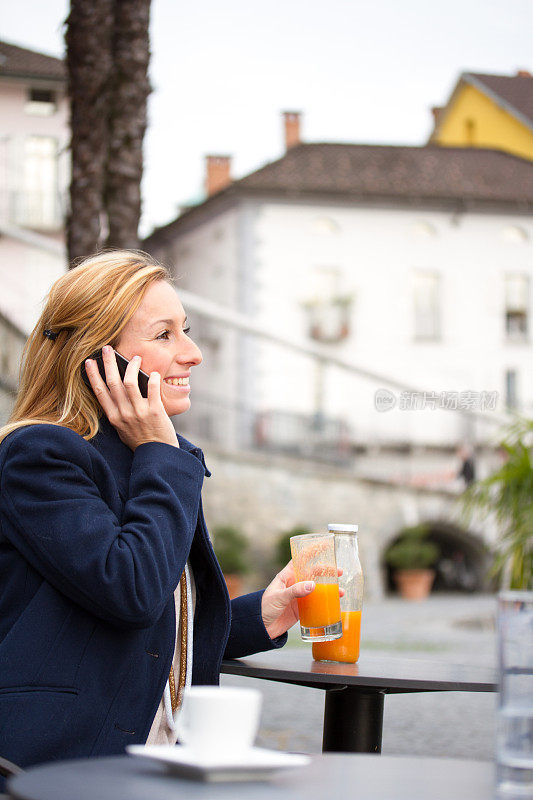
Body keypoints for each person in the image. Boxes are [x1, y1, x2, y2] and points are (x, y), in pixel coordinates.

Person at [0, 251, 318, 777]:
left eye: (185, 331)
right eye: (164, 335)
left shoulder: (151, 460)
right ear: (97, 356)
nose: (192, 354)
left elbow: (147, 637)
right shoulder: (41, 455)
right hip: (58, 766)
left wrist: (264, 614)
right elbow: (130, 591)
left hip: (152, 760)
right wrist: (161, 453)